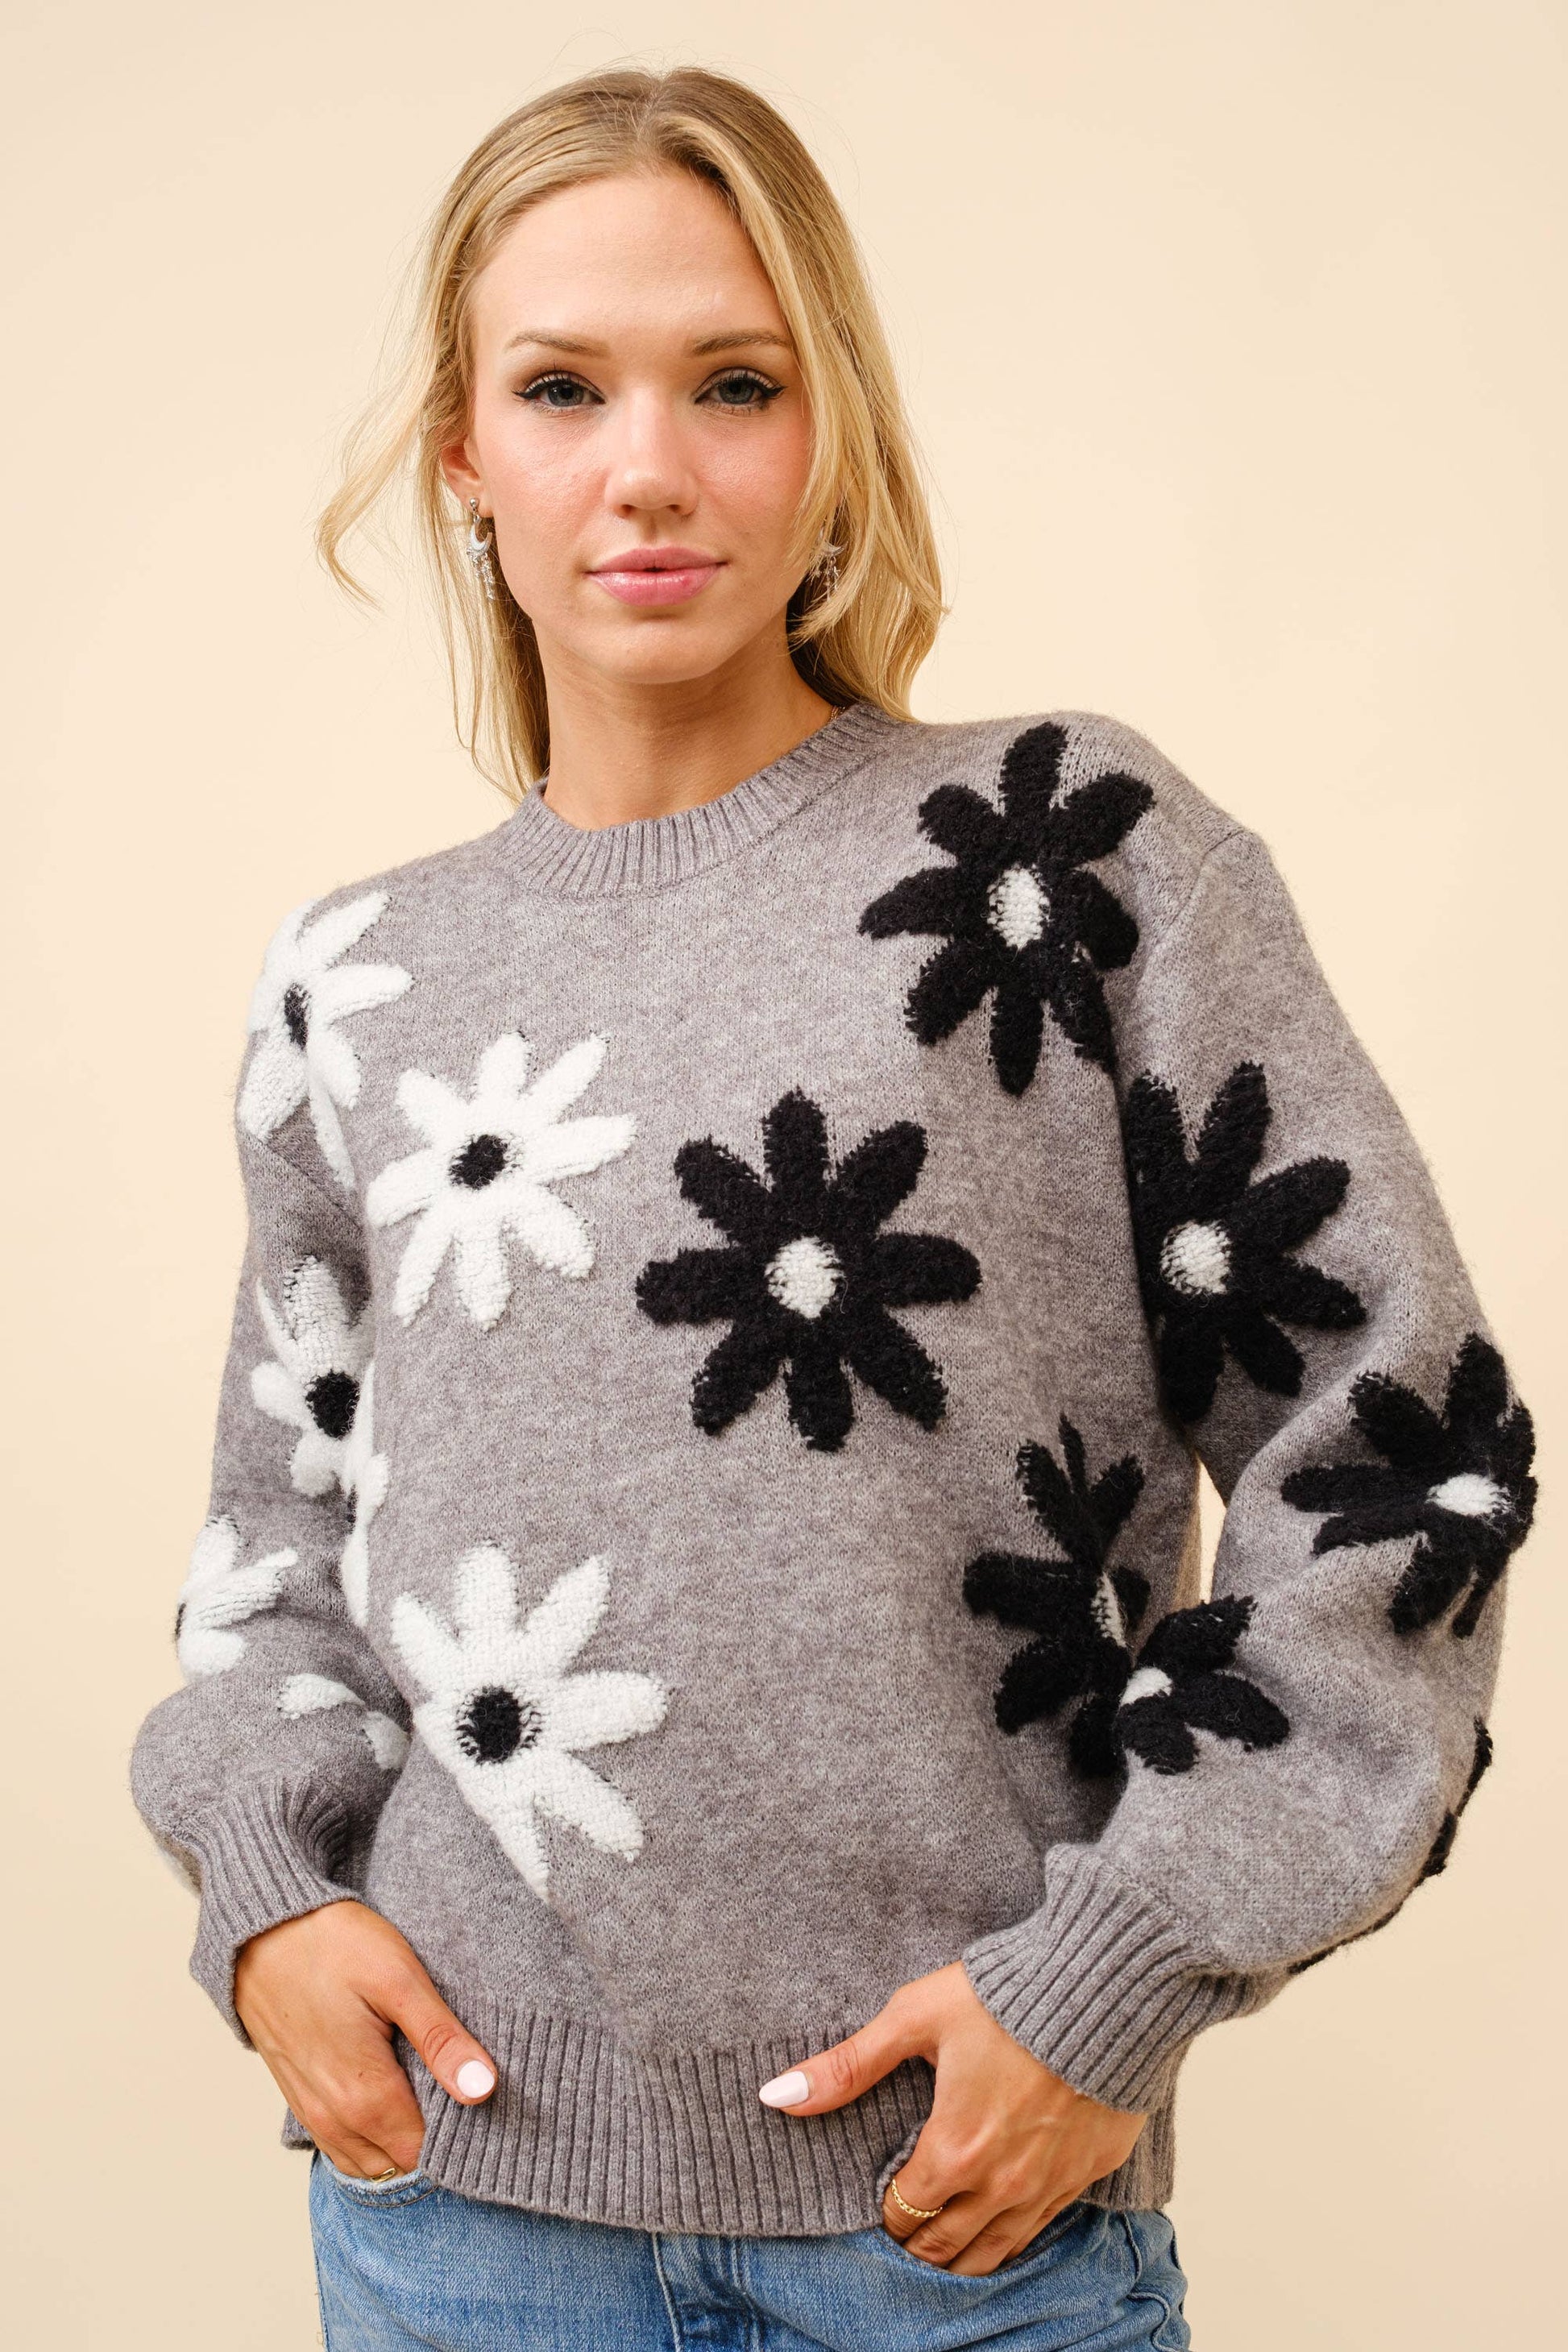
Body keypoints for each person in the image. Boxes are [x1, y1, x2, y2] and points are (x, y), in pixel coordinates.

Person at [130, 63, 1537, 2352]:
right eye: (561, 389)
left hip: (954, 2237)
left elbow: (1401, 1450)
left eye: (736, 382)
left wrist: (1113, 1977)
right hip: (459, 2227)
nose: (649, 467)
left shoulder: (1062, 860)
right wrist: (272, 1896)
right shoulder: (358, 980)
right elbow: (278, 1545)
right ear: (463, 453)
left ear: (834, 433)